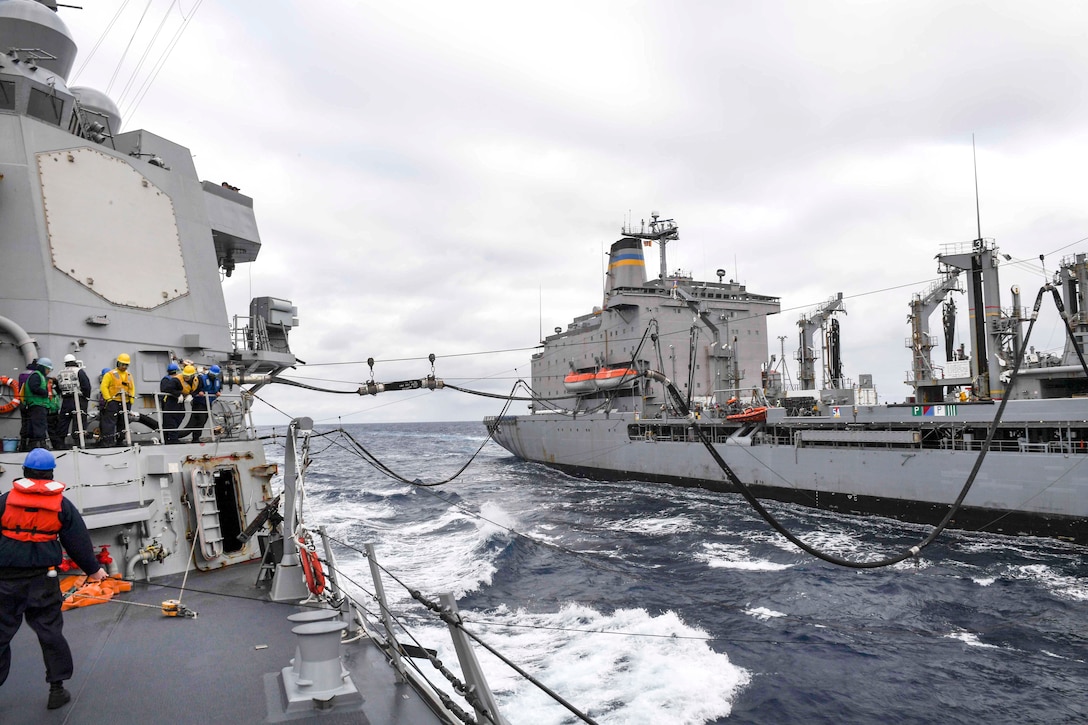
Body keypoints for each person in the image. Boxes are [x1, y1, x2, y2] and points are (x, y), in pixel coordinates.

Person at [0, 448, 106, 709]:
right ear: (50, 474)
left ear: (24, 472)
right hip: (43, 580)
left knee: (1, 634)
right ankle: (57, 690)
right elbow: (78, 542)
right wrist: (94, 570)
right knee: (50, 633)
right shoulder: (61, 505)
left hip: (6, 581)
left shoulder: (5, 501)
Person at [52, 356, 91, 449]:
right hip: (78, 399)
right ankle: (78, 443)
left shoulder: (60, 373)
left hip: (66, 399)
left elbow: (58, 387)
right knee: (79, 420)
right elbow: (86, 386)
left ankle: (60, 443)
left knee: (63, 421)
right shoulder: (79, 371)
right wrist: (86, 398)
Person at [21, 359, 58, 451]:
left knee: (39, 425)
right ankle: (40, 444)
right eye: (48, 369)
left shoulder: (39, 376)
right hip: (37, 405)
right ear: (43, 367)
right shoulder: (36, 376)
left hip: (40, 405)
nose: (49, 371)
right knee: (39, 425)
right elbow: (34, 387)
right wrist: (46, 393)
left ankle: (35, 444)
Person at [98, 354, 135, 447]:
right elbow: (104, 387)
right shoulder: (110, 374)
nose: (124, 366)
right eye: (123, 364)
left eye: (126, 365)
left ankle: (120, 440)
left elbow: (132, 388)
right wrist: (109, 399)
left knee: (123, 423)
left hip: (125, 402)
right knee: (109, 423)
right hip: (113, 402)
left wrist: (131, 400)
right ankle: (108, 441)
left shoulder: (129, 375)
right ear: (118, 363)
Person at [158, 363, 184, 444]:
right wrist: (178, 394)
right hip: (169, 402)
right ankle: (171, 438)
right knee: (170, 421)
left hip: (177, 402)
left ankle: (168, 437)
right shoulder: (167, 380)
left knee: (177, 418)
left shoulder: (168, 379)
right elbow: (166, 390)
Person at [16, 360, 36, 452]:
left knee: (24, 423)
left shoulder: (22, 374)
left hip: (22, 401)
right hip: (31, 402)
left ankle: (22, 445)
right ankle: (31, 445)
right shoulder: (34, 375)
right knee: (32, 424)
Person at [180, 365, 204, 443]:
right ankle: (170, 437)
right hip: (179, 401)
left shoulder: (198, 380)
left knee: (201, 420)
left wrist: (192, 395)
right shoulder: (178, 380)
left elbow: (199, 388)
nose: (186, 378)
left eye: (188, 376)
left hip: (201, 403)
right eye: (185, 376)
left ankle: (196, 438)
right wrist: (178, 395)